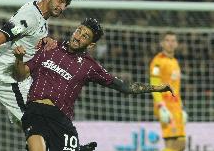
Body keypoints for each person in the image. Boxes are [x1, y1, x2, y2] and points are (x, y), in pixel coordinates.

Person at [12, 18, 174, 151]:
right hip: (36, 111)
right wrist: (19, 59)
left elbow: (124, 87)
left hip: (61, 118)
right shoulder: (50, 48)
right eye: (78, 31)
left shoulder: (89, 66)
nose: (78, 36)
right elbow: (20, 74)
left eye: (85, 36)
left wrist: (157, 87)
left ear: (91, 45)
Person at [150, 31, 187, 151]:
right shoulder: (157, 62)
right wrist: (161, 107)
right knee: (172, 144)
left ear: (177, 44)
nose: (170, 43)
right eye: (167, 40)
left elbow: (176, 87)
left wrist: (181, 107)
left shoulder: (175, 62)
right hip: (165, 106)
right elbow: (154, 85)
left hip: (175, 107)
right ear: (162, 43)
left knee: (181, 144)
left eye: (173, 41)